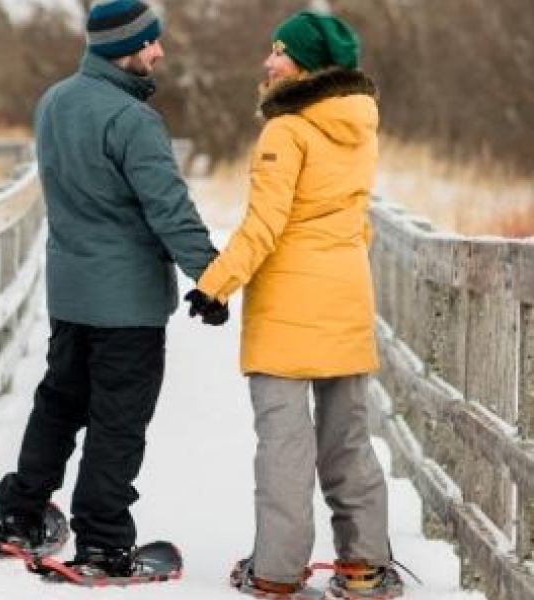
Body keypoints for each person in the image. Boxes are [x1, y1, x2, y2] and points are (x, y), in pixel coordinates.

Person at [0, 0, 226, 579]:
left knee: (59, 403)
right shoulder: (132, 119)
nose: (159, 51)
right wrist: (213, 279)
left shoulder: (54, 102)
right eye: (150, 43)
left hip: (70, 293)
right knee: (118, 421)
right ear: (124, 48)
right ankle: (103, 544)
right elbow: (168, 208)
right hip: (127, 304)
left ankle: (20, 515)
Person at [185, 10, 402, 600]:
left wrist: (215, 285)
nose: (268, 61)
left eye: (280, 52)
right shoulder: (360, 124)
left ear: (306, 64)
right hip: (346, 299)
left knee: (284, 445)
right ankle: (363, 570)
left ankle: (277, 573)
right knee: (349, 441)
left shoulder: (287, 129)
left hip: (288, 308)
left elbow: (265, 223)